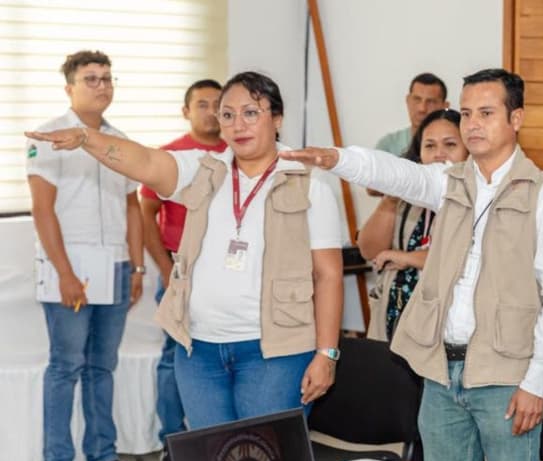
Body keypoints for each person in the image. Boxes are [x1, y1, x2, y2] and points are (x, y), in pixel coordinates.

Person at [282, 69, 543, 461]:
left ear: (516, 119)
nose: (473, 123)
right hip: (441, 373)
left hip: (507, 379)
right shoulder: (448, 182)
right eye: (468, 113)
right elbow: (397, 173)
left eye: (487, 113)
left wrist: (537, 381)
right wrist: (338, 159)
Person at [28, 71, 346, 431]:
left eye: (250, 113)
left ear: (277, 119)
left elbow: (328, 275)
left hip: (274, 354)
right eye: (227, 115)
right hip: (199, 350)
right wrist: (87, 138)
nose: (237, 125)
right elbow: (145, 162)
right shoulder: (203, 170)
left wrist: (326, 353)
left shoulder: (309, 186)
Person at [26, 50, 147, 461]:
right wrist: (65, 272)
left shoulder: (121, 140)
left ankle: (102, 457)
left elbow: (133, 207)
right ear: (69, 88)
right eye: (91, 78)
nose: (101, 86)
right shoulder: (48, 136)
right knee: (66, 366)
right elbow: (42, 211)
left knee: (103, 366)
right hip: (70, 267)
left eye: (107, 78)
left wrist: (136, 266)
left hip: (115, 265)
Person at [139, 78, 226, 456]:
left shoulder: (238, 153)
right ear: (186, 111)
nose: (210, 112)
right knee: (173, 356)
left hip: (224, 272)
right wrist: (162, 265)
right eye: (201, 104)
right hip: (178, 269)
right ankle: (172, 440)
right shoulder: (170, 157)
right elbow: (147, 214)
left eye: (216, 104)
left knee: (220, 354)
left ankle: (215, 436)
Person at [359, 109, 467, 342]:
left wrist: (407, 258)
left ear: (468, 150)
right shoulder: (405, 198)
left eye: (450, 145)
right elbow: (369, 250)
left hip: (446, 329)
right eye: (429, 146)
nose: (439, 154)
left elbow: (462, 256)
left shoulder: (478, 197)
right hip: (395, 316)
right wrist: (393, 195)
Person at [374, 72, 449, 158]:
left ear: (445, 106)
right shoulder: (388, 146)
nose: (422, 108)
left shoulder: (458, 144)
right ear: (408, 100)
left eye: (431, 101)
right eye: (417, 99)